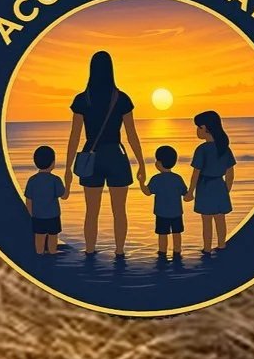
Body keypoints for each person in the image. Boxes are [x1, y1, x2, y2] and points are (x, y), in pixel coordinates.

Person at [64, 50, 145, 257]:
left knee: (91, 211)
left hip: (91, 156)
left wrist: (67, 168)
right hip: (116, 156)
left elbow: (74, 136)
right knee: (119, 211)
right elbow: (131, 135)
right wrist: (142, 164)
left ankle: (90, 250)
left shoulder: (83, 99)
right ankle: (119, 252)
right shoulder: (122, 98)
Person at [190, 110, 235, 256]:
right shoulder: (224, 148)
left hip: (205, 186)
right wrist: (226, 190)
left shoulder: (202, 150)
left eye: (199, 127)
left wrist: (191, 192)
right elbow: (230, 173)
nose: (197, 131)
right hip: (219, 186)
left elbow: (196, 173)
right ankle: (222, 245)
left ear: (206, 128)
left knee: (207, 221)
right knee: (220, 218)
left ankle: (207, 248)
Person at [143, 145, 191, 262]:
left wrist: (140, 182)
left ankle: (162, 252)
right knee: (177, 233)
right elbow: (185, 193)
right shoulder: (177, 178)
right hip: (176, 213)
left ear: (159, 163)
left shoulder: (156, 179)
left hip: (161, 213)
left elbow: (148, 192)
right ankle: (177, 251)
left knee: (162, 234)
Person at [25, 145, 64, 256]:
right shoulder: (55, 180)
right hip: (53, 215)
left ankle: (39, 252)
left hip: (38, 216)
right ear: (53, 163)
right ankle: (52, 251)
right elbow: (62, 194)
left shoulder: (32, 180)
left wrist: (31, 214)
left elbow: (29, 199)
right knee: (53, 236)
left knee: (39, 236)